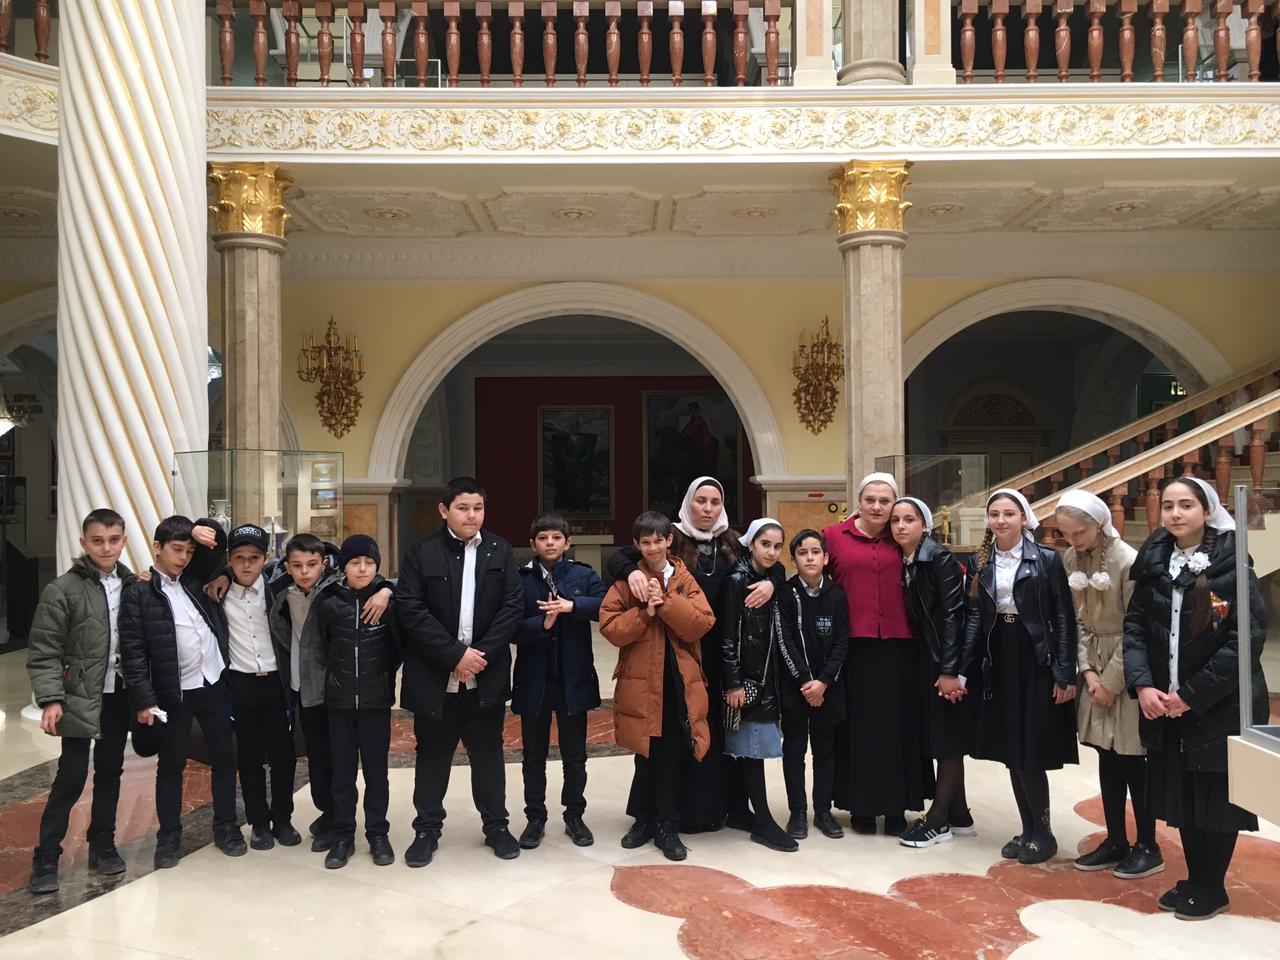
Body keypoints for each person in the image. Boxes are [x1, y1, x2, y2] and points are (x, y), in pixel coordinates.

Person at [1124, 477, 1268, 921]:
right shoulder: (1153, 562)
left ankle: (1212, 886)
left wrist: (1191, 694)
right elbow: (1135, 628)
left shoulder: (1233, 563)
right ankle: (1194, 877)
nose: (1175, 513)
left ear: (1207, 511)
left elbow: (1245, 641)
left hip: (1217, 704)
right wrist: (1142, 684)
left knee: (1215, 797)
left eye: (1186, 505)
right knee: (1182, 793)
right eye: (1168, 505)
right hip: (1165, 702)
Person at [606, 476, 777, 832]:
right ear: (688, 502)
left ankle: (718, 808)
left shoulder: (733, 542)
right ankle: (663, 812)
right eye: (701, 501)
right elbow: (623, 556)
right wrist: (630, 572)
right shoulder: (670, 538)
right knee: (668, 733)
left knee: (718, 731)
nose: (708, 508)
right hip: (679, 650)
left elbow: (770, 559)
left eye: (715, 502)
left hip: (724, 653)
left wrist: (773, 581)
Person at [396, 476, 523, 866]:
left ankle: (496, 827)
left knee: (488, 754)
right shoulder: (421, 553)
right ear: (444, 510)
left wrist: (478, 656)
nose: (472, 515)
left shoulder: (500, 551)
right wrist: (454, 656)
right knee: (432, 756)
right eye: (463, 508)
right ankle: (426, 830)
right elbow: (411, 610)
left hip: (485, 674)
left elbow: (512, 607)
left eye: (478, 508)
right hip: (436, 676)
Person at [119, 516, 241, 868]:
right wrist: (144, 700)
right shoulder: (138, 592)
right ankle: (169, 837)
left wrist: (200, 528)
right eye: (176, 549)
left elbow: (216, 542)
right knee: (171, 765)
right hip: (174, 693)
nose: (184, 557)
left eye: (188, 550)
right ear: (157, 547)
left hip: (212, 680)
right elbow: (133, 651)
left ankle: (226, 826)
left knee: (224, 757)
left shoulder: (193, 579)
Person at [964, 489, 1078, 865]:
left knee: (1031, 750)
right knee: (1012, 750)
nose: (1001, 520)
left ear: (1024, 518)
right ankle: (1027, 829)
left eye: (1009, 514)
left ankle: (1043, 832)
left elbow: (1063, 616)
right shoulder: (981, 561)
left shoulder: (1046, 559)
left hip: (1035, 656)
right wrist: (964, 668)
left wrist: (1065, 672)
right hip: (999, 654)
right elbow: (975, 617)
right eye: (994, 514)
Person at [26, 509, 138, 894]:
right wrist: (51, 699)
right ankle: (46, 857)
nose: (106, 548)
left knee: (110, 771)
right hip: (77, 696)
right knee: (71, 776)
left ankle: (102, 844)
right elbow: (44, 650)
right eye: (97, 541)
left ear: (124, 541)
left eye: (113, 540)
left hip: (118, 696)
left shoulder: (133, 585)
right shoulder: (61, 590)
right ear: (83, 543)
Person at [1055, 491, 1163, 880]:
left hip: (1127, 662)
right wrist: (1087, 673)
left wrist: (1113, 682)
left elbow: (1138, 625)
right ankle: (1116, 838)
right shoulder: (1072, 559)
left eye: (1079, 533)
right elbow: (1077, 620)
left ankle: (1148, 845)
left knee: (1133, 757)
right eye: (1066, 534)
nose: (1073, 541)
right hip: (1093, 664)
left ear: (1099, 525)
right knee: (1107, 755)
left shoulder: (1127, 561)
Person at [262, 533, 391, 854]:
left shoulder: (334, 590)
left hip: (336, 688)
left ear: (324, 564)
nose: (305, 571)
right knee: (319, 757)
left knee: (345, 762)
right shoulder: (279, 591)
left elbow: (376, 581)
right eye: (297, 565)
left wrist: (387, 589)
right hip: (301, 685)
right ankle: (331, 816)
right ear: (287, 566)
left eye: (312, 564)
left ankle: (344, 823)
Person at [824, 472, 933, 836]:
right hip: (852, 645)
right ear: (858, 501)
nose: (876, 506)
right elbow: (812, 577)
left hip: (901, 645)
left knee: (898, 729)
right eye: (870, 499)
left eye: (885, 501)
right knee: (858, 729)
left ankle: (897, 805)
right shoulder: (833, 536)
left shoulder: (903, 535)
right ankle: (862, 806)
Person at [601, 510, 714, 861]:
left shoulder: (683, 579)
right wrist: (644, 613)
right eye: (646, 542)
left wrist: (665, 603)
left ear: (669, 540)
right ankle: (643, 819)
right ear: (636, 544)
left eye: (658, 541)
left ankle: (667, 822)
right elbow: (610, 628)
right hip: (641, 680)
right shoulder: (627, 583)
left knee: (670, 753)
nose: (653, 548)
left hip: (678, 681)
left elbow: (701, 624)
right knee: (645, 752)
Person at [513, 513, 607, 850]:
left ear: (568, 543)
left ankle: (574, 815)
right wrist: (542, 624)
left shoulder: (583, 574)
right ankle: (535, 817)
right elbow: (510, 628)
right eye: (543, 538)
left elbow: (606, 606)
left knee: (575, 754)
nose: (549, 543)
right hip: (534, 680)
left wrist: (572, 605)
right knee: (533, 756)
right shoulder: (520, 579)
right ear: (532, 544)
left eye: (556, 538)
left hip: (574, 680)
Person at [889, 498, 978, 849]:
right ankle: (960, 815)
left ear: (924, 525)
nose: (900, 526)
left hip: (945, 659)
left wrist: (950, 671)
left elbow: (954, 615)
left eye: (909, 519)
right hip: (929, 657)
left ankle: (938, 821)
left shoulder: (938, 558)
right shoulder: (909, 559)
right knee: (943, 735)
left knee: (947, 740)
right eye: (895, 520)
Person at [314, 534, 400, 870]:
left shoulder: (388, 603)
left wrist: (387, 590)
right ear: (343, 566)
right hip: (339, 702)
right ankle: (343, 835)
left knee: (377, 774)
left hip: (375, 701)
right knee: (342, 774)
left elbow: (397, 648)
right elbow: (324, 645)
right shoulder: (329, 602)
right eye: (355, 562)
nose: (362, 568)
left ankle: (378, 833)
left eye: (369, 562)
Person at [722, 518, 801, 853]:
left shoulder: (770, 577)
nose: (771, 552)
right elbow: (728, 636)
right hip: (747, 680)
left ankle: (739, 811)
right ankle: (765, 823)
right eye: (764, 544)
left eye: (777, 546)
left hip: (767, 678)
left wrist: (773, 578)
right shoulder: (737, 580)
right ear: (751, 544)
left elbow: (778, 572)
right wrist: (733, 683)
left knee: (748, 748)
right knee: (751, 749)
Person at [221, 524, 301, 853]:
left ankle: (282, 818)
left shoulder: (278, 589)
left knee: (283, 756)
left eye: (253, 558)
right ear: (229, 560)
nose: (246, 564)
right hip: (240, 684)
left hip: (276, 683)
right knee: (249, 757)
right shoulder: (217, 594)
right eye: (239, 557)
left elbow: (327, 565)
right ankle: (258, 822)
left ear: (266, 559)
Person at [779, 529, 849, 842]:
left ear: (826, 557)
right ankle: (797, 812)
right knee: (794, 751)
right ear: (794, 559)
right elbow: (785, 641)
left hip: (828, 689)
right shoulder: (786, 593)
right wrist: (806, 682)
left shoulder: (837, 595)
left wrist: (823, 682)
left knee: (825, 752)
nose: (810, 558)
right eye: (802, 552)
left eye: (815, 552)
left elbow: (842, 642)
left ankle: (823, 811)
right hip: (796, 690)